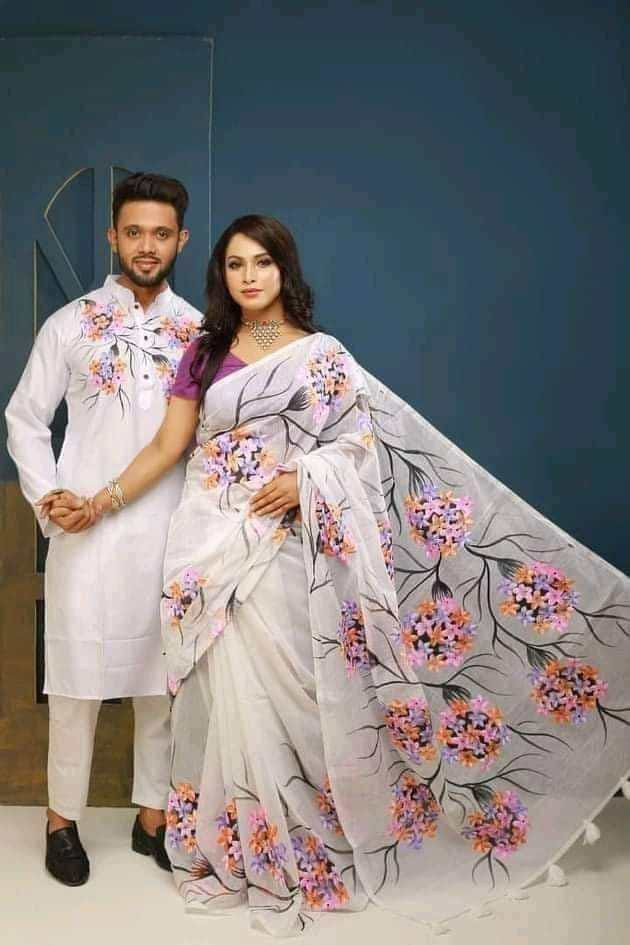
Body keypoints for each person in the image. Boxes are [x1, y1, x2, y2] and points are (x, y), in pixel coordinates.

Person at [41, 215, 630, 935]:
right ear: (220, 273)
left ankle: (312, 833)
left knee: (297, 690)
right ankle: (246, 835)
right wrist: (99, 501)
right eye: (235, 264)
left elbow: (357, 446)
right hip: (210, 543)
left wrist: (305, 480)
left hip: (286, 544)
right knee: (230, 694)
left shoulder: (322, 355)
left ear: (284, 269)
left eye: (262, 262)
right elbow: (169, 445)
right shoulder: (204, 351)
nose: (249, 276)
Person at [5, 172, 203, 886]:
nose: (147, 245)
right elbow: (25, 417)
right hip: (85, 528)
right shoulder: (71, 323)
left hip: (172, 530)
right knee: (77, 682)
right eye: (134, 231)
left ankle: (154, 817)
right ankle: (62, 820)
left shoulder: (199, 333)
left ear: (181, 240)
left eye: (161, 233)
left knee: (162, 681)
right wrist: (49, 496)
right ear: (112, 236)